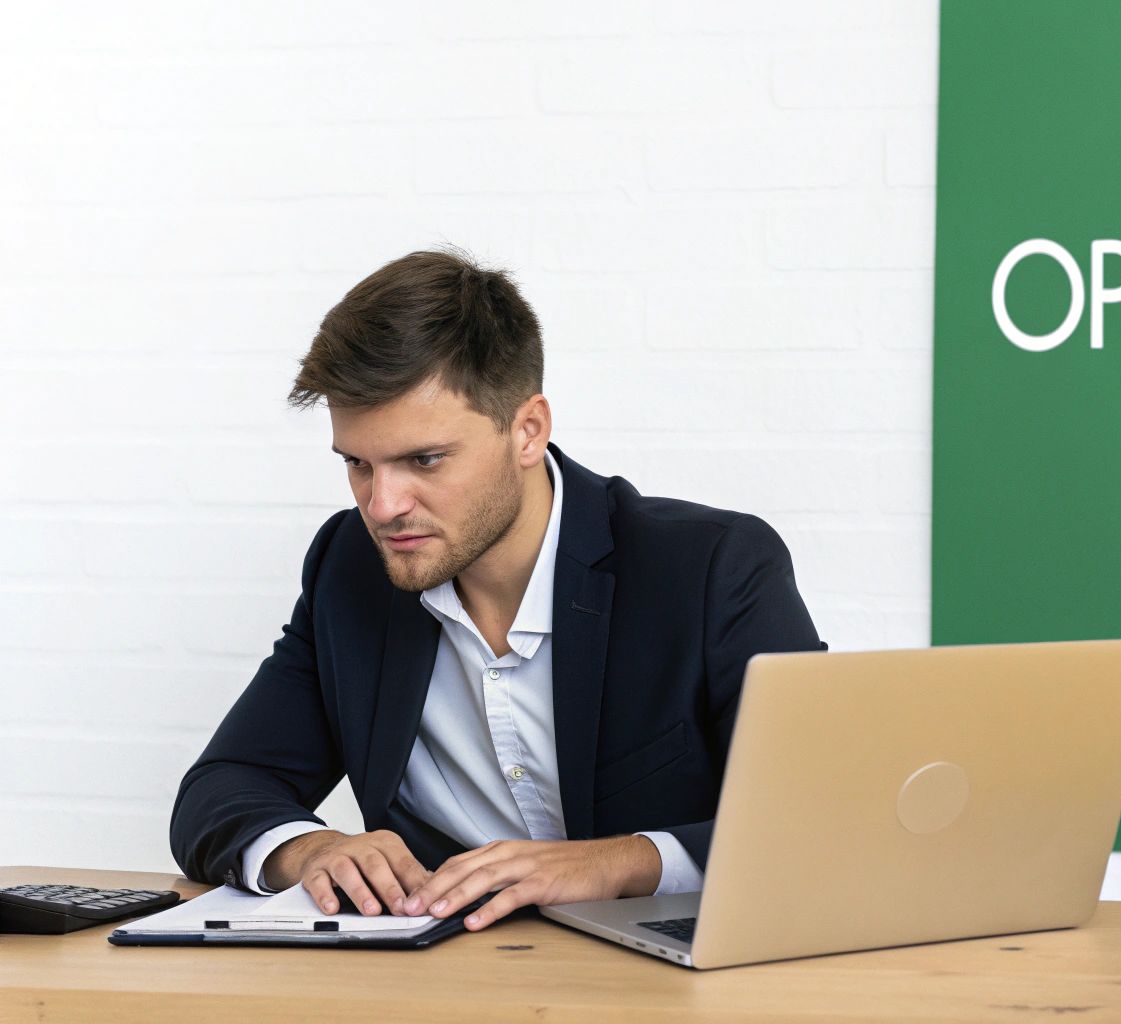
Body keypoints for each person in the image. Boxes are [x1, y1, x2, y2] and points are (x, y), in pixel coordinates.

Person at [168, 249, 825, 932]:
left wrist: (619, 863)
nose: (383, 505)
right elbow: (220, 791)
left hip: (671, 983)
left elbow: (823, 814)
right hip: (451, 985)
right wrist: (314, 850)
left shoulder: (708, 569)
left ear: (528, 431)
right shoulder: (350, 568)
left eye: (424, 460)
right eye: (358, 464)